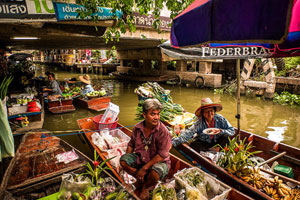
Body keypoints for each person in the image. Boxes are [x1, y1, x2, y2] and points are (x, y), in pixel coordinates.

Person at [120, 99, 172, 200]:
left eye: (158, 114)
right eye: (153, 114)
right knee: (123, 161)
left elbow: (162, 155)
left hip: (159, 162)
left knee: (155, 173)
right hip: (141, 158)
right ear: (144, 115)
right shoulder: (137, 128)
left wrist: (144, 169)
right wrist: (127, 166)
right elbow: (131, 145)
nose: (156, 117)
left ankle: (146, 187)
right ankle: (140, 179)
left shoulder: (163, 132)